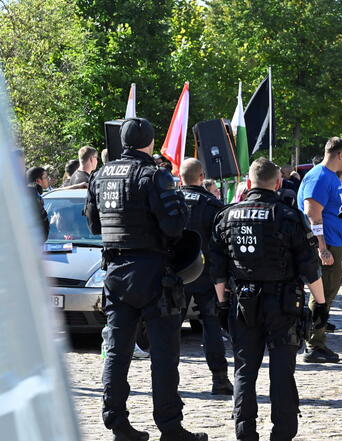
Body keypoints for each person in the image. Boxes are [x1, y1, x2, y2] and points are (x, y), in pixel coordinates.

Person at [84, 118, 207, 441]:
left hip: (114, 272)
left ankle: (117, 423)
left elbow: (94, 225)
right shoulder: (154, 176)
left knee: (117, 351)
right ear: (150, 143)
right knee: (164, 354)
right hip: (153, 273)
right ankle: (170, 426)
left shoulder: (99, 176)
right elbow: (173, 227)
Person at [210, 157, 328, 441]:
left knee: (244, 370)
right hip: (282, 305)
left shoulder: (226, 216)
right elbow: (310, 267)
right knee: (282, 370)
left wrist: (223, 304)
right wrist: (321, 304)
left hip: (243, 302)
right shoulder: (288, 217)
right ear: (278, 183)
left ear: (248, 183)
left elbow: (217, 270)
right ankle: (283, 432)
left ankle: (245, 431)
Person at [178, 158, 232, 395]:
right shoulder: (213, 205)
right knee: (211, 325)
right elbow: (223, 244)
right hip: (206, 273)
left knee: (169, 328)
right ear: (202, 177)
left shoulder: (170, 201)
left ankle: (166, 379)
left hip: (176, 273)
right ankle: (219, 379)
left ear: (180, 177)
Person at [297, 137, 342, 363]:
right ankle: (313, 344)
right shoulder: (319, 177)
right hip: (325, 243)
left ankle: (317, 340)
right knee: (322, 294)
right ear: (340, 155)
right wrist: (322, 246)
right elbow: (312, 212)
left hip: (333, 241)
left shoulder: (330, 177)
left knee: (327, 294)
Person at [26, 165, 49, 240]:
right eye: (45, 177)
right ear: (38, 181)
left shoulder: (29, 193)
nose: (48, 179)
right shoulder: (34, 197)